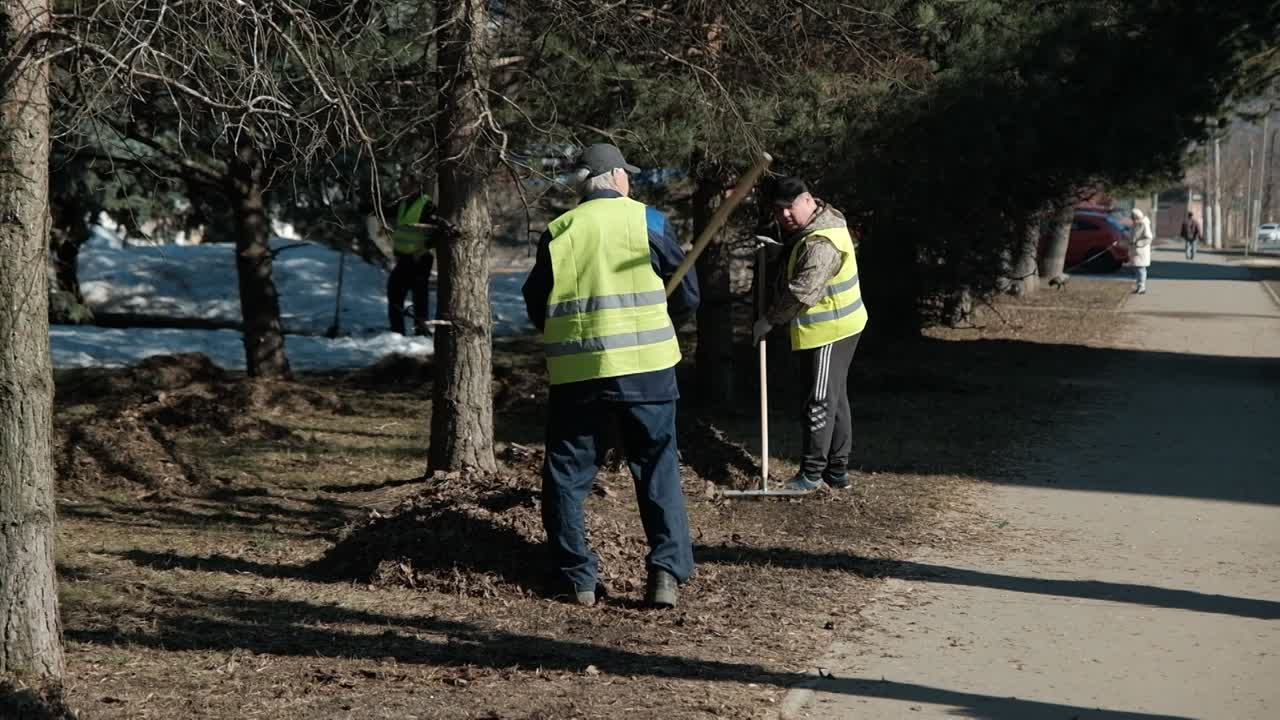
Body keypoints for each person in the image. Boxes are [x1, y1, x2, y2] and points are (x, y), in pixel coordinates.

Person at [521, 143, 700, 609]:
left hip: (580, 376)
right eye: (628, 174)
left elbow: (536, 302)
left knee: (566, 475)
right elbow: (688, 294)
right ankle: (665, 574)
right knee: (658, 468)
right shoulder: (649, 222)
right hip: (648, 373)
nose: (631, 181)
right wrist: (660, 318)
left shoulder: (559, 231)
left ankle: (577, 578)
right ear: (616, 177)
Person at [752, 177, 869, 493]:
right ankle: (837, 472)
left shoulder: (821, 243)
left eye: (790, 207)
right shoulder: (824, 220)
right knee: (835, 398)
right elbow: (805, 252)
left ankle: (811, 475)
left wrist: (769, 320)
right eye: (779, 210)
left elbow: (803, 291)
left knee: (819, 400)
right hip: (841, 324)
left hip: (830, 329)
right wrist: (783, 250)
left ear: (807, 200)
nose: (785, 215)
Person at [386, 174, 438, 336]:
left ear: (416, 186)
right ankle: (398, 333)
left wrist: (422, 250)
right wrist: (363, 208)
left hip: (420, 258)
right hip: (404, 258)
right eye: (401, 185)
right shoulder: (403, 203)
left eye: (405, 185)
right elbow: (386, 211)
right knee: (395, 292)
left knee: (419, 297)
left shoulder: (426, 204)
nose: (402, 188)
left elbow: (437, 231)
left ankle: (420, 333)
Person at [1129, 207, 1154, 294]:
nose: (1131, 219)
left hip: (1141, 251)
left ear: (1136, 216)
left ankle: (1142, 287)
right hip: (1136, 251)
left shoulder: (1144, 224)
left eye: (1133, 217)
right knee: (1137, 270)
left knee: (1141, 269)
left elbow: (1149, 238)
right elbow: (1132, 236)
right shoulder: (1135, 225)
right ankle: (1139, 286)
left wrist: (1138, 243)